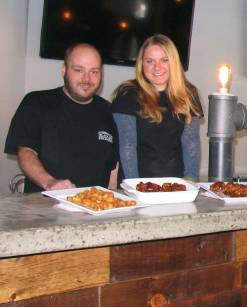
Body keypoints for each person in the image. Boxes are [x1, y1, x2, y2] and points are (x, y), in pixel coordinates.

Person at [4, 43, 119, 193]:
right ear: (64, 70)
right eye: (78, 70)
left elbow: (113, 166)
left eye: (94, 72)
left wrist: (113, 201)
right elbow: (26, 152)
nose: (87, 78)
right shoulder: (36, 102)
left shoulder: (109, 111)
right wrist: (50, 183)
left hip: (94, 209)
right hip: (45, 208)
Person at [112, 34, 203, 181]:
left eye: (164, 60)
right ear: (142, 64)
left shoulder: (189, 94)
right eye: (150, 61)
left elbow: (191, 144)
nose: (157, 67)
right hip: (138, 185)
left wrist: (190, 179)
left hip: (176, 185)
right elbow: (127, 148)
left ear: (173, 62)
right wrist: (134, 185)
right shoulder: (127, 93)